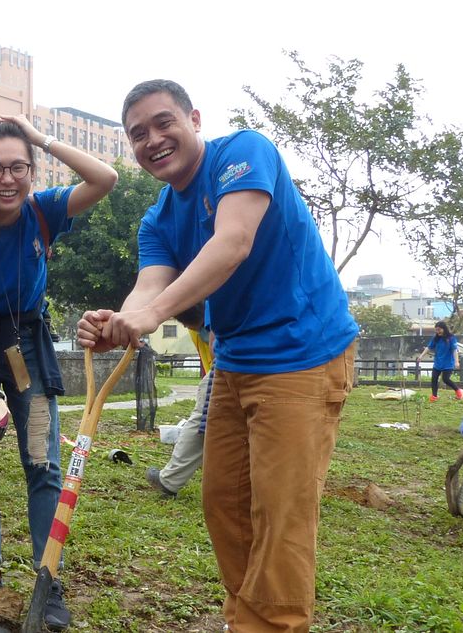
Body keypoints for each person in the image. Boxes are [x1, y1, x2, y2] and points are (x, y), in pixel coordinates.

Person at [78, 80, 358, 633]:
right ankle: (247, 616)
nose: (153, 140)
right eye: (138, 135)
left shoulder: (244, 152)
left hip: (302, 355)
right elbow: (149, 284)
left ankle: (271, 623)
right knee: (224, 504)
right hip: (235, 363)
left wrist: (151, 314)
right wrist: (120, 320)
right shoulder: (157, 219)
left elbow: (232, 242)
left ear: (194, 118)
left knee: (281, 515)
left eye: (164, 123)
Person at [0, 115, 117, 629]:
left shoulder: (45, 210)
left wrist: (41, 137)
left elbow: (106, 180)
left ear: (32, 170)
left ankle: (47, 576)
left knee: (42, 461)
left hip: (28, 342)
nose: (7, 178)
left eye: (19, 166)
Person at [145, 302, 214, 499]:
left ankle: (169, 481)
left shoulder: (216, 311)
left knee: (203, 417)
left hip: (233, 359)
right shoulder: (197, 331)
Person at [416, 320, 463, 402]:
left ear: (444, 329)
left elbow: (454, 350)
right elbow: (428, 347)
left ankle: (458, 391)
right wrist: (421, 356)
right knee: (434, 379)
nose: (437, 332)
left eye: (439, 329)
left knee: (446, 379)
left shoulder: (451, 338)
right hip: (438, 362)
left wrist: (456, 361)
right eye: (436, 330)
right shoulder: (435, 338)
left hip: (448, 363)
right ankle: (434, 396)